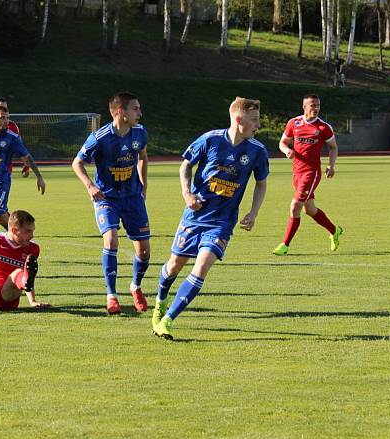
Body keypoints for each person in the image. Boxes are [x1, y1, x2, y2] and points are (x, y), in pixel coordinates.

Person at [152, 97, 268, 340]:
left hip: (223, 222)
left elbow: (261, 183)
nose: (258, 125)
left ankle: (168, 320)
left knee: (202, 267)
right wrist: (187, 193)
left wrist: (253, 212)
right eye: (254, 120)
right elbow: (185, 165)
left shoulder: (257, 151)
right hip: (195, 216)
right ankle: (160, 301)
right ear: (239, 120)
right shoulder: (211, 139)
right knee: (174, 265)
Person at [71, 91, 150, 315]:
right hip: (107, 197)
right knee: (111, 239)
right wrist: (90, 186)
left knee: (144, 252)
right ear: (120, 112)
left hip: (133, 198)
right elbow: (77, 163)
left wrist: (144, 185)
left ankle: (135, 286)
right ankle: (111, 296)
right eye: (135, 109)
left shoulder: (139, 133)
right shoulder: (100, 137)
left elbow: (142, 157)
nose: (140, 113)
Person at [272, 94, 342, 256]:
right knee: (309, 209)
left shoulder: (324, 128)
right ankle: (334, 230)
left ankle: (285, 244)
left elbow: (333, 147)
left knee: (295, 206)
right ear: (304, 107)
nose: (316, 108)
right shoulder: (293, 123)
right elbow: (282, 142)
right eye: (312, 105)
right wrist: (287, 150)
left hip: (312, 173)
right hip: (296, 172)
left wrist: (331, 165)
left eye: (318, 105)